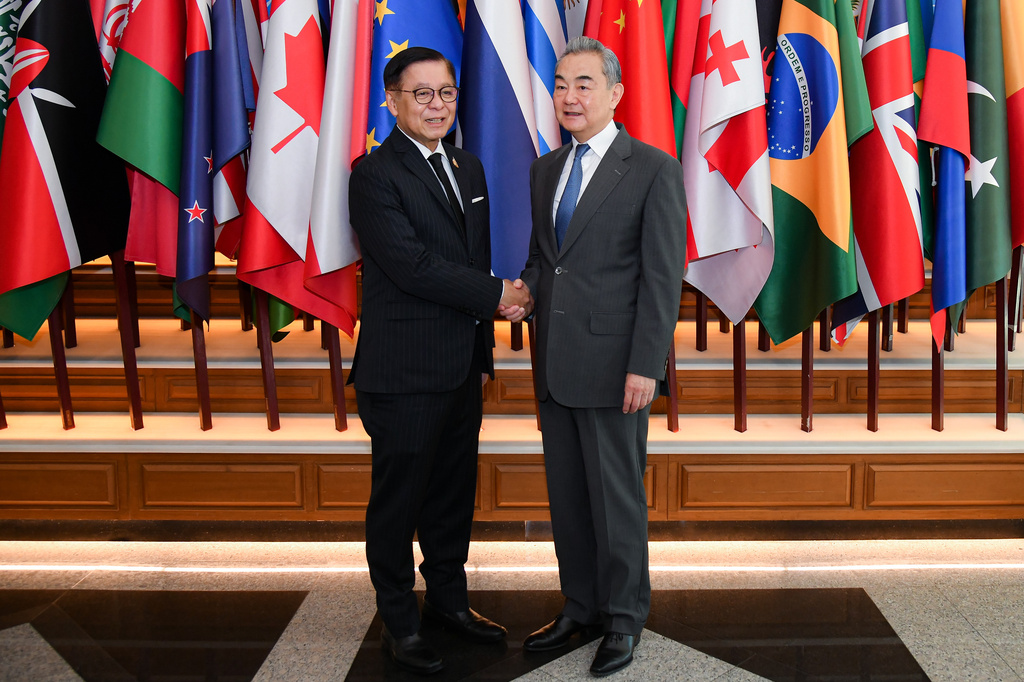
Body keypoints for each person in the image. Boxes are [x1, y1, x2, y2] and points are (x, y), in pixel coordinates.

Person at [348, 46, 531, 675]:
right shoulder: (374, 174)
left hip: (459, 368)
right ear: (392, 101)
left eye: (446, 93)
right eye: (421, 93)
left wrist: (487, 334)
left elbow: (469, 259)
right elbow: (411, 267)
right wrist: (497, 297)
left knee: (453, 497)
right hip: (402, 374)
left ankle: (449, 603)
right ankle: (399, 618)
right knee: (399, 503)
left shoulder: (468, 167)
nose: (436, 105)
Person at [510, 36, 686, 677]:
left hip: (618, 368)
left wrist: (647, 364)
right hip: (555, 363)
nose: (569, 96)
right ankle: (579, 606)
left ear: (615, 93)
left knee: (616, 499)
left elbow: (662, 279)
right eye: (560, 84)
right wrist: (525, 292)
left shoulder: (652, 169)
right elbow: (544, 258)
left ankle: (621, 619)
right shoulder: (546, 169)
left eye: (584, 84)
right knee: (569, 497)